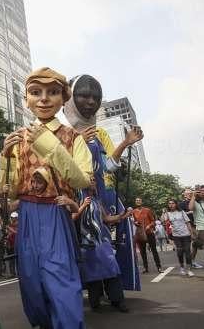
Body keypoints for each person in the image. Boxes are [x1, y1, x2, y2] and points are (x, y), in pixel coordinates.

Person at [0, 67, 92, 329]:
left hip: (55, 212)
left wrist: (50, 146)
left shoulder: (73, 137)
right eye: (35, 92)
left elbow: (81, 180)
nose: (43, 99)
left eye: (52, 93)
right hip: (26, 213)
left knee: (61, 279)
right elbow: (9, 190)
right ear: (26, 99)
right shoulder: (18, 138)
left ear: (63, 99)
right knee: (31, 284)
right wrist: (5, 158)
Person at [63, 73, 142, 291]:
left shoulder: (100, 134)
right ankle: (88, 292)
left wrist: (126, 143)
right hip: (73, 200)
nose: (90, 102)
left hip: (101, 197)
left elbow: (108, 166)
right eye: (83, 96)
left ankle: (116, 290)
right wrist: (76, 143)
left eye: (95, 98)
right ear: (69, 99)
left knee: (107, 244)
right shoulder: (61, 134)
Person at [74, 175, 132, 313]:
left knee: (112, 270)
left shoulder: (97, 201)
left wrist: (121, 216)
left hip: (101, 241)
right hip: (85, 243)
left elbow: (106, 218)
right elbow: (72, 216)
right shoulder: (77, 198)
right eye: (90, 180)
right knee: (92, 273)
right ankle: (95, 301)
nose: (93, 182)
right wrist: (82, 205)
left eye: (94, 180)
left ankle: (117, 300)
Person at [161, 200, 195, 276]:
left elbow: (187, 222)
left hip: (186, 234)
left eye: (173, 203)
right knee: (179, 252)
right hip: (176, 236)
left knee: (187, 252)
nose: (171, 205)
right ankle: (182, 268)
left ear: (176, 204)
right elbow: (163, 221)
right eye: (169, 204)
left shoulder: (182, 212)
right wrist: (164, 212)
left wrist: (191, 233)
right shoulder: (168, 214)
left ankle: (189, 270)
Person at [132, 197, 163, 274]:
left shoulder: (147, 210)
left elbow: (153, 221)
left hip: (149, 233)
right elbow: (134, 221)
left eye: (139, 200)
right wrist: (135, 223)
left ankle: (159, 267)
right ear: (135, 202)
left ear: (142, 201)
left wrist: (149, 225)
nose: (138, 201)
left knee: (154, 250)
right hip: (140, 234)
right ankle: (146, 268)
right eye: (136, 200)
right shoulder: (134, 211)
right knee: (142, 252)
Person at [5, 212, 18, 277]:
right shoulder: (10, 224)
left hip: (16, 244)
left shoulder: (18, 224)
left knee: (17, 259)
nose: (12, 218)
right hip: (10, 244)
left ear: (16, 218)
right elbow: (8, 233)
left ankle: (19, 271)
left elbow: (16, 232)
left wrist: (10, 229)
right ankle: (12, 273)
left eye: (14, 217)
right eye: (12, 217)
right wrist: (7, 233)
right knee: (10, 259)